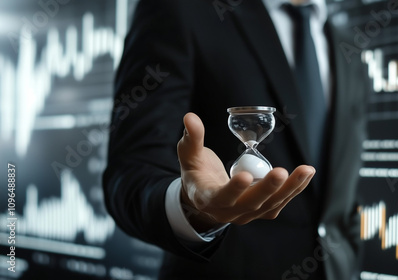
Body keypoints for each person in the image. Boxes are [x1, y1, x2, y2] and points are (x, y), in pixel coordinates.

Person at [103, 0, 369, 279]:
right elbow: (130, 170)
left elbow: (345, 192)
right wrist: (194, 209)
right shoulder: (182, 10)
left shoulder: (348, 44)